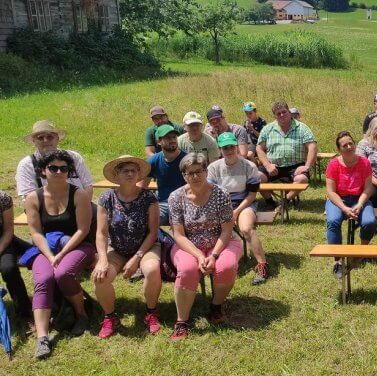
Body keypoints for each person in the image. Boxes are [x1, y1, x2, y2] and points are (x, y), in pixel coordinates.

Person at [24, 151, 96, 359]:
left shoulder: (79, 194)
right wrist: (49, 254)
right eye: (53, 168)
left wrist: (62, 253)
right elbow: (35, 232)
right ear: (43, 171)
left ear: (69, 171)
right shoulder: (33, 198)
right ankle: (42, 337)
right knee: (44, 279)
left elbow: (83, 230)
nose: (58, 172)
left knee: (63, 273)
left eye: (63, 168)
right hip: (45, 247)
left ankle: (81, 313)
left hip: (78, 245)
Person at [168, 153, 242, 341]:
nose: (195, 176)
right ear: (184, 175)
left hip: (220, 241)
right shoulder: (175, 197)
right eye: (190, 173)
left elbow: (227, 230)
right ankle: (181, 321)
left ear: (206, 171)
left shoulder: (221, 193)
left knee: (225, 266)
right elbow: (178, 234)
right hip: (188, 244)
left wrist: (214, 255)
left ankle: (216, 305)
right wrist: (200, 256)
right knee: (187, 269)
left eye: (199, 171)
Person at [92, 156, 162, 339]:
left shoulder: (149, 197)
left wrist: (137, 258)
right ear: (117, 174)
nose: (130, 173)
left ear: (139, 174)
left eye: (134, 170)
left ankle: (151, 311)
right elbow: (101, 233)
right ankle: (110, 317)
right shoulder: (106, 198)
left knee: (152, 269)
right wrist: (102, 259)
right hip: (117, 248)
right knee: (101, 276)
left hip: (145, 247)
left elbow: (153, 232)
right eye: (125, 170)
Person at [207, 132, 268, 285]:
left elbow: (252, 195)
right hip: (221, 204)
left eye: (232, 147)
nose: (229, 150)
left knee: (246, 228)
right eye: (225, 148)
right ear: (220, 149)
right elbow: (211, 194)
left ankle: (262, 265)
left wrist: (236, 211)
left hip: (245, 202)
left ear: (236, 146)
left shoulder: (249, 166)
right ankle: (216, 261)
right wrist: (226, 210)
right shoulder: (213, 168)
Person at [325, 131, 377, 279]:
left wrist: (360, 204)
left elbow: (368, 188)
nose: (349, 147)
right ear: (339, 149)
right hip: (338, 200)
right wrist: (344, 208)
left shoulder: (364, 163)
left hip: (359, 198)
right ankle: (337, 260)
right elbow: (330, 191)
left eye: (350, 143)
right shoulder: (333, 164)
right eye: (344, 145)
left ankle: (361, 252)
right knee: (333, 221)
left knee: (369, 222)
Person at [256, 100, 318, 203]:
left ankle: (285, 201)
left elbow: (312, 147)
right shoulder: (267, 129)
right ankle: (270, 201)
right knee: (254, 178)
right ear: (274, 116)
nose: (282, 115)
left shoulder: (302, 128)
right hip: (273, 166)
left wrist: (306, 167)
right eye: (278, 113)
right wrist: (267, 165)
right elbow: (259, 148)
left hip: (296, 166)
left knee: (302, 179)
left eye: (284, 112)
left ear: (289, 112)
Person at [16, 120, 94, 200]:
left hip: (81, 206)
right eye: (40, 138)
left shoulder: (74, 157)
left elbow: (88, 186)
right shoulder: (26, 165)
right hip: (45, 210)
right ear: (34, 141)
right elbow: (29, 198)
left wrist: (83, 208)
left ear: (57, 138)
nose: (45, 140)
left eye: (49, 137)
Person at [0, 189, 32, 328]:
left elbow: (8, 232)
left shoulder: (3, 198)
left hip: (3, 242)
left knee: (8, 269)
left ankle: (25, 313)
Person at [145, 124, 187, 226]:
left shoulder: (187, 159)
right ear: (159, 142)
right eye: (168, 138)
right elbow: (142, 186)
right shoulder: (153, 161)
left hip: (186, 203)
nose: (172, 140)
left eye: (174, 137)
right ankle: (164, 240)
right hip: (164, 204)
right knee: (147, 222)